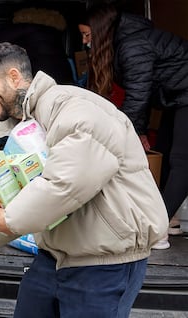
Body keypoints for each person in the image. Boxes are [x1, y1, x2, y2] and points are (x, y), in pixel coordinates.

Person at [0, 42, 168, 317]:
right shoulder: (26, 128)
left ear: (14, 77)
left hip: (104, 265)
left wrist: (12, 218)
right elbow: (30, 203)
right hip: (55, 257)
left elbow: (64, 184)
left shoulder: (74, 109)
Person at [79, 3, 188, 248]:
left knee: (182, 160)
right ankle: (169, 219)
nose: (85, 42)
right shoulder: (126, 42)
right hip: (178, 95)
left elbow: (139, 94)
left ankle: (158, 229)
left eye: (87, 35)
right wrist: (137, 129)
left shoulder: (132, 46)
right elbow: (143, 90)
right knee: (164, 150)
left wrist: (128, 131)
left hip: (183, 93)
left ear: (102, 31)